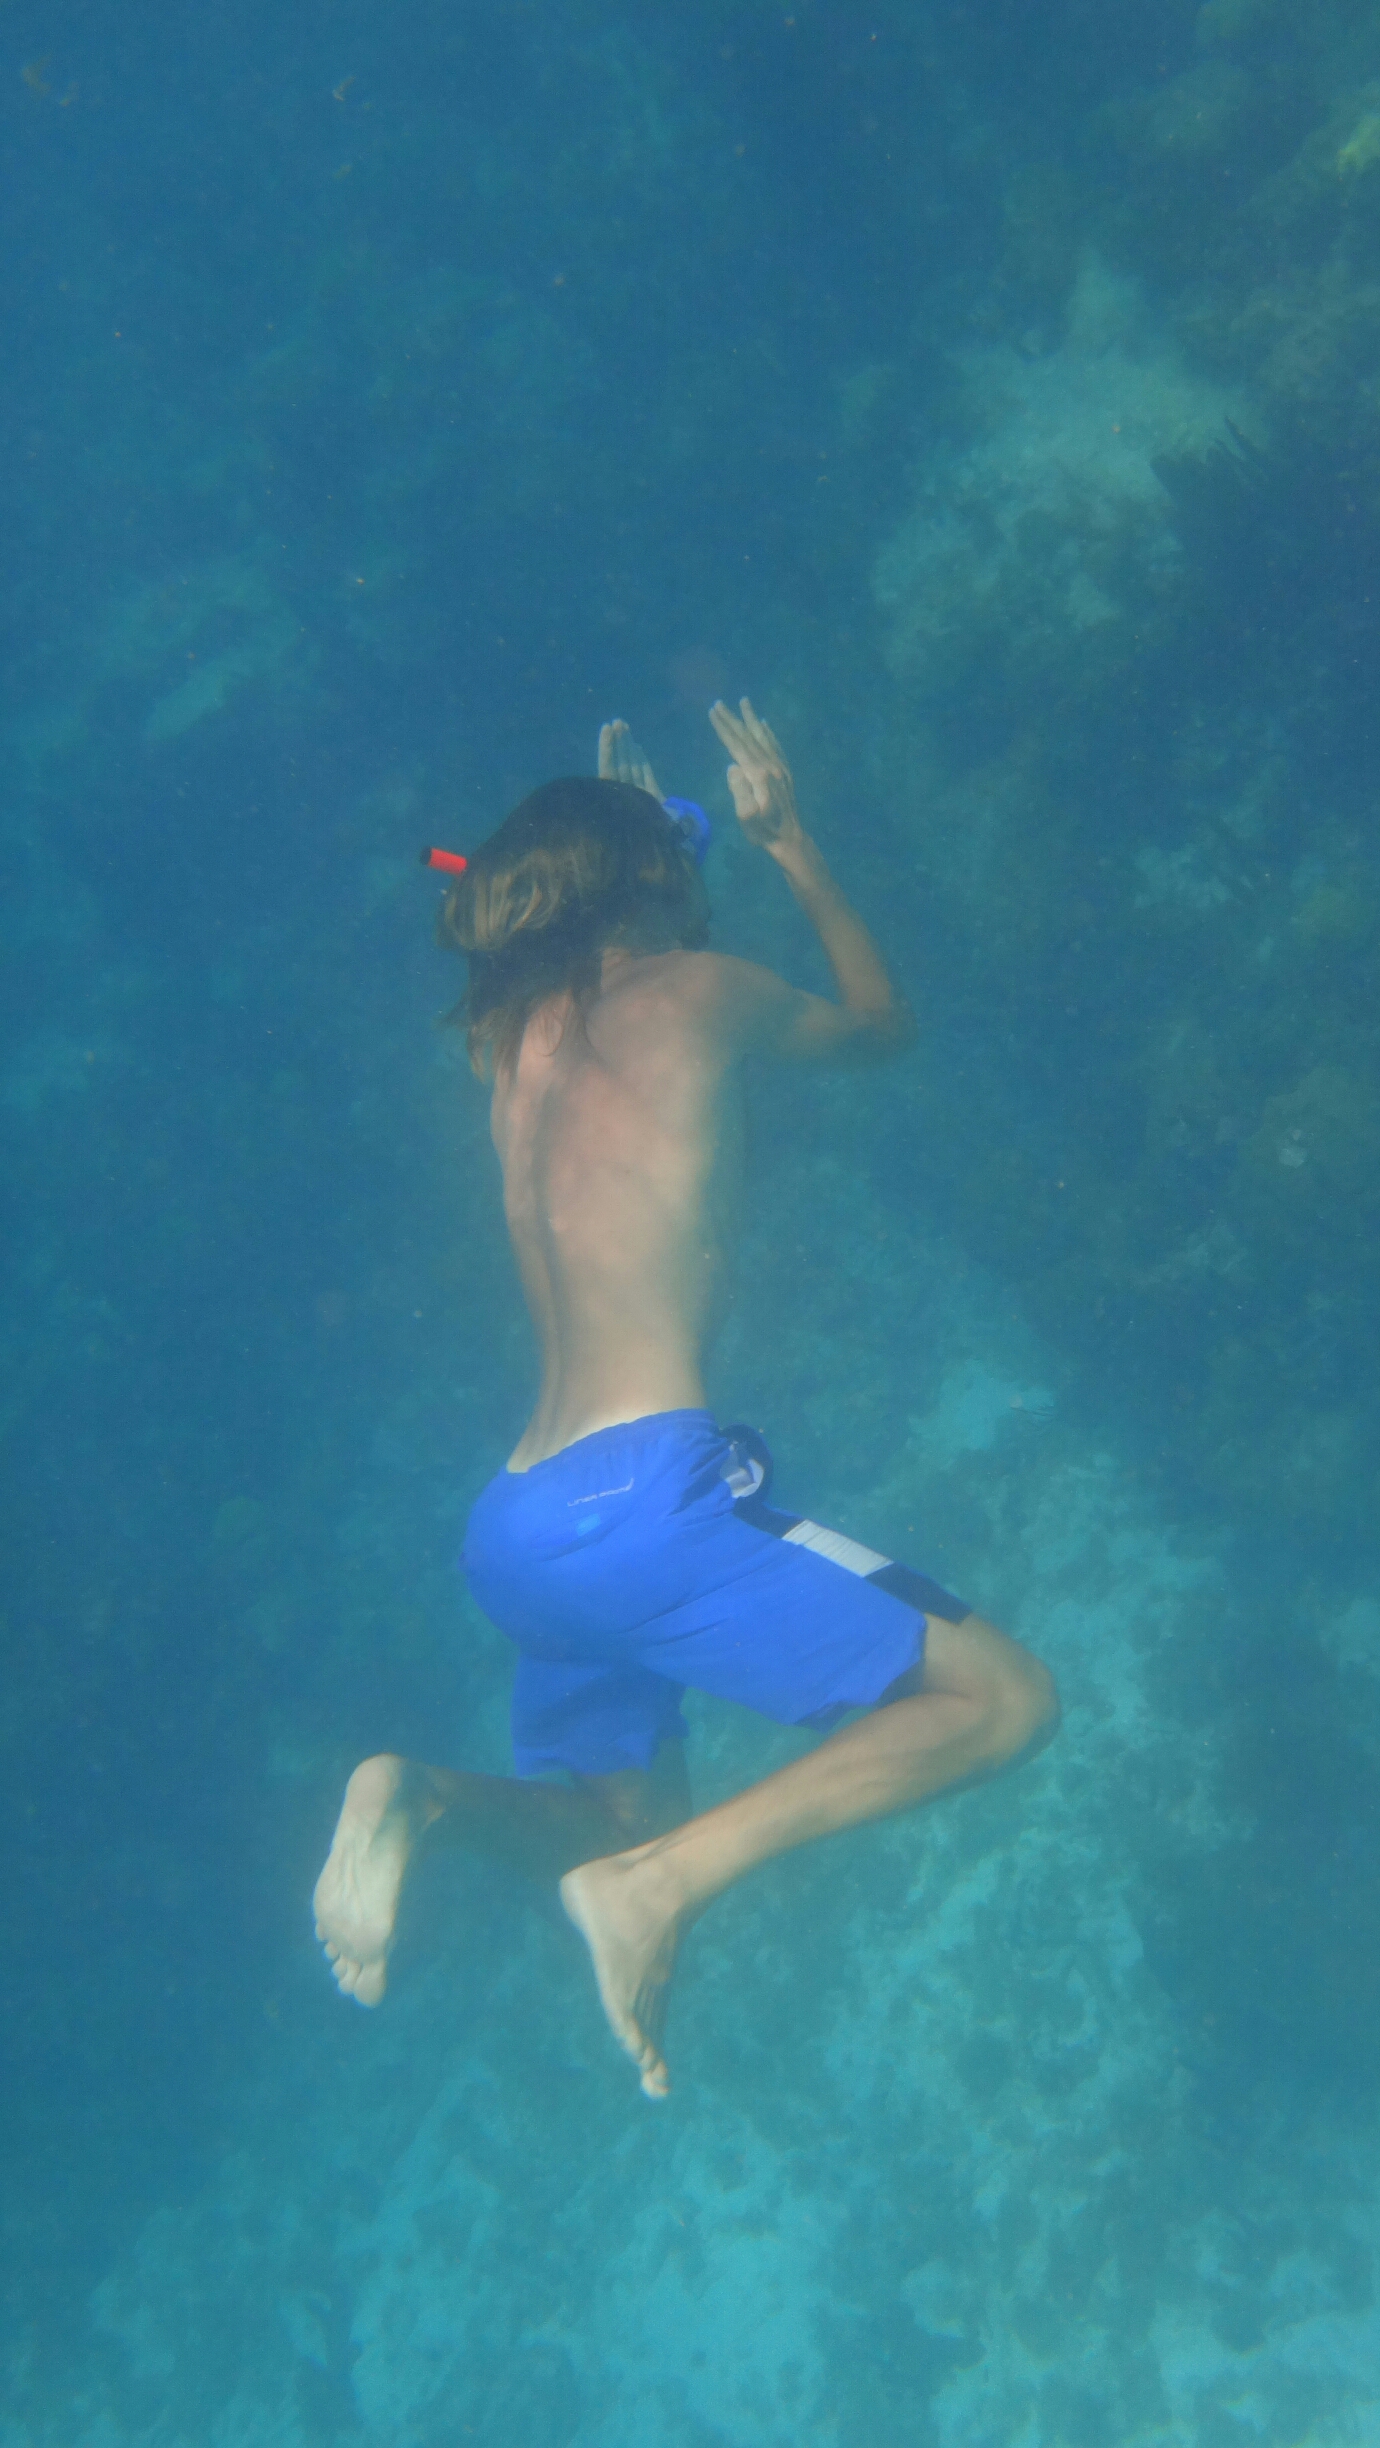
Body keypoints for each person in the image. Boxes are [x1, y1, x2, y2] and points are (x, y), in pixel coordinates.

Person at [312, 699, 1058, 2097]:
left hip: (517, 1531)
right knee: (1006, 1702)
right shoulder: (700, 994)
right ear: (654, 883)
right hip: (648, 1500)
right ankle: (659, 1891)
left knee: (612, 1818)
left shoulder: (506, 1045)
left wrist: (644, 838)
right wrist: (790, 846)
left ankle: (421, 1798)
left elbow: (612, 936)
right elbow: (882, 1029)